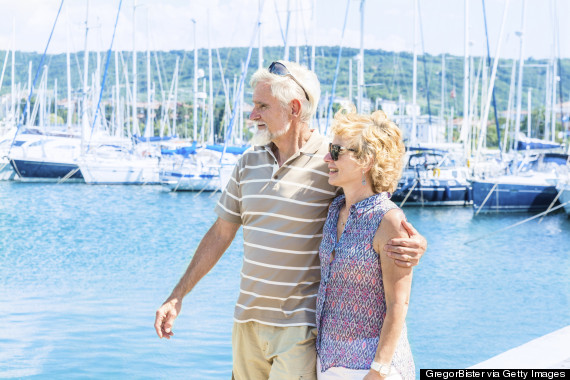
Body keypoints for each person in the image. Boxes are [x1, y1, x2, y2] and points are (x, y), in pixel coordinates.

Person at [154, 60, 427, 380]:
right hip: (246, 324)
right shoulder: (248, 162)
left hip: (300, 330)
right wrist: (177, 295)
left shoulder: (332, 159)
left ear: (294, 107)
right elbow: (220, 233)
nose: (252, 115)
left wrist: (415, 242)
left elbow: (376, 204)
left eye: (262, 106)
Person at [316, 108, 415, 380]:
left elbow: (399, 304)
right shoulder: (335, 209)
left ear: (366, 160)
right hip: (327, 363)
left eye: (337, 151)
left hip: (370, 368)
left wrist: (379, 370)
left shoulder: (389, 220)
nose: (327, 157)